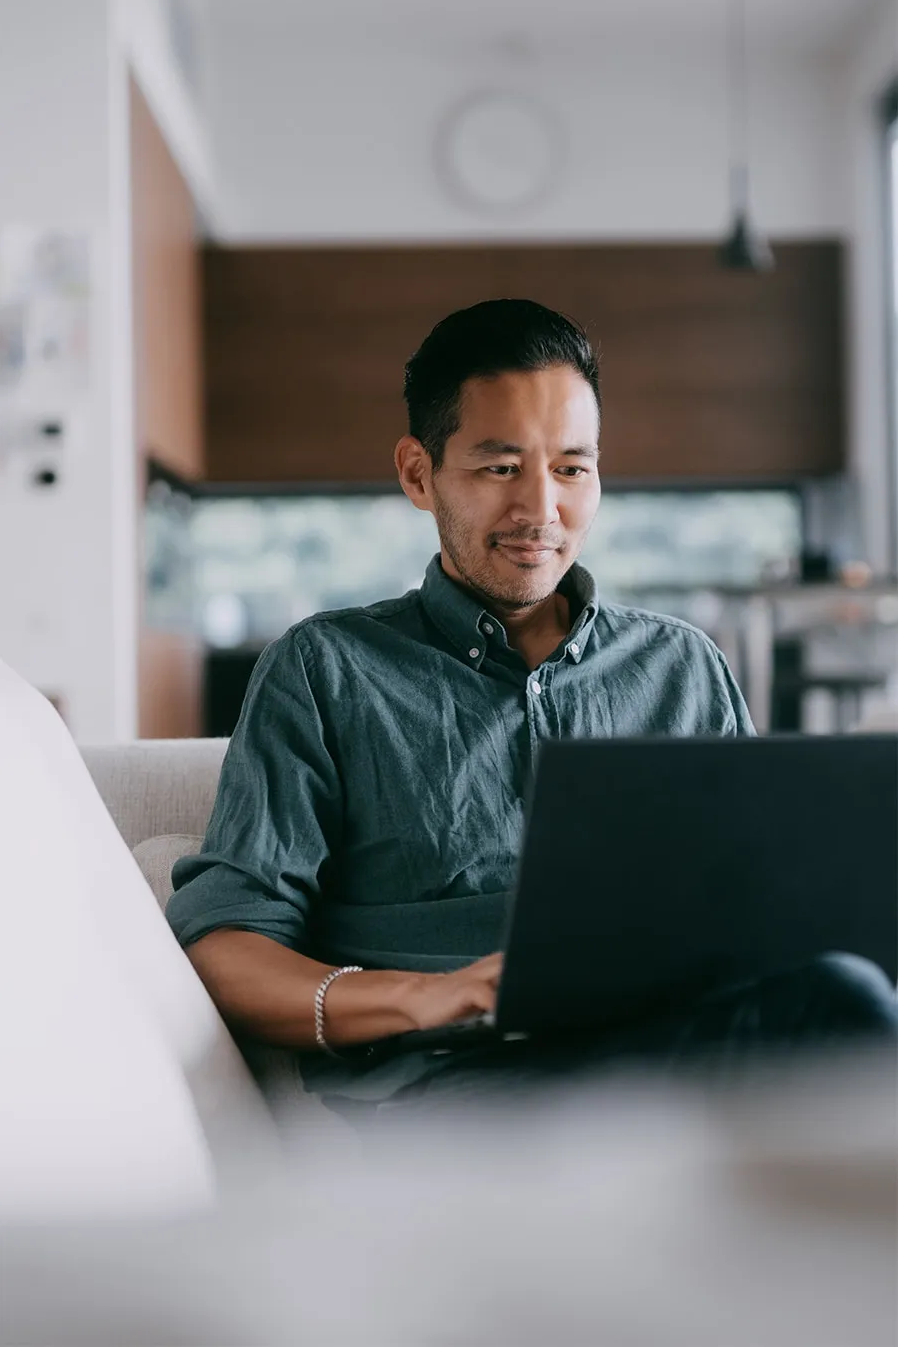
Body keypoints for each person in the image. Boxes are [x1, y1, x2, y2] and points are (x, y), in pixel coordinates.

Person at [167, 299, 897, 1122]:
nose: (541, 510)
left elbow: (765, 907)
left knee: (847, 996)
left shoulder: (682, 666)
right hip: (453, 1085)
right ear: (418, 473)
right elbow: (224, 947)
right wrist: (429, 996)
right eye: (501, 466)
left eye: (572, 468)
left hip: (669, 1053)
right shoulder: (324, 669)